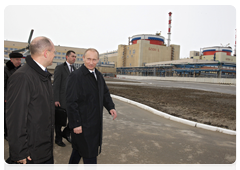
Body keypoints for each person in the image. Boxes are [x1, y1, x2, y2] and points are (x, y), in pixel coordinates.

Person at [6, 36, 55, 170]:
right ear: (46, 53)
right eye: (53, 52)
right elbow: (15, 118)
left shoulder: (43, 75)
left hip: (45, 149)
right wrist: (19, 152)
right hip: (30, 154)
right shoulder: (23, 77)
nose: (54, 55)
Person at [66, 48, 117, 170]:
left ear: (98, 60)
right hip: (83, 124)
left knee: (78, 151)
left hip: (95, 123)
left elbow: (105, 93)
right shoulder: (76, 76)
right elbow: (71, 102)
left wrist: (110, 107)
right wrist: (76, 124)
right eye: (88, 59)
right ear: (83, 58)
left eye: (94, 59)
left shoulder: (98, 75)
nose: (91, 62)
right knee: (90, 154)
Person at [53, 50, 76, 147]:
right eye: (72, 56)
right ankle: (58, 139)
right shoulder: (60, 68)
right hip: (61, 99)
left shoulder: (75, 69)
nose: (74, 58)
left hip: (72, 100)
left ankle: (66, 133)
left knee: (73, 119)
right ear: (67, 57)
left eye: (75, 57)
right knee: (59, 121)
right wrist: (56, 99)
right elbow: (56, 84)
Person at [4, 52, 23, 141]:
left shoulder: (21, 69)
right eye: (17, 59)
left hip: (19, 97)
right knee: (7, 117)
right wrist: (5, 97)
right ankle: (7, 133)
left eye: (20, 60)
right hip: (9, 99)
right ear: (11, 60)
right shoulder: (5, 70)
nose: (19, 61)